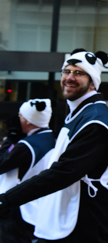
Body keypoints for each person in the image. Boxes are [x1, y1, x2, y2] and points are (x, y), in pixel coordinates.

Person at [0, 49, 108, 242]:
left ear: (93, 81)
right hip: (70, 217)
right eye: (66, 71)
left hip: (82, 223)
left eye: (79, 73)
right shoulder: (81, 114)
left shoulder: (96, 121)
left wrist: (7, 199)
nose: (69, 77)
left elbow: (63, 172)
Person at [0, 99, 55, 243]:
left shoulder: (28, 145)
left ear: (29, 121)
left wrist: (11, 138)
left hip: (17, 210)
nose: (17, 119)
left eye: (20, 116)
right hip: (34, 209)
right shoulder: (49, 139)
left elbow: (1, 163)